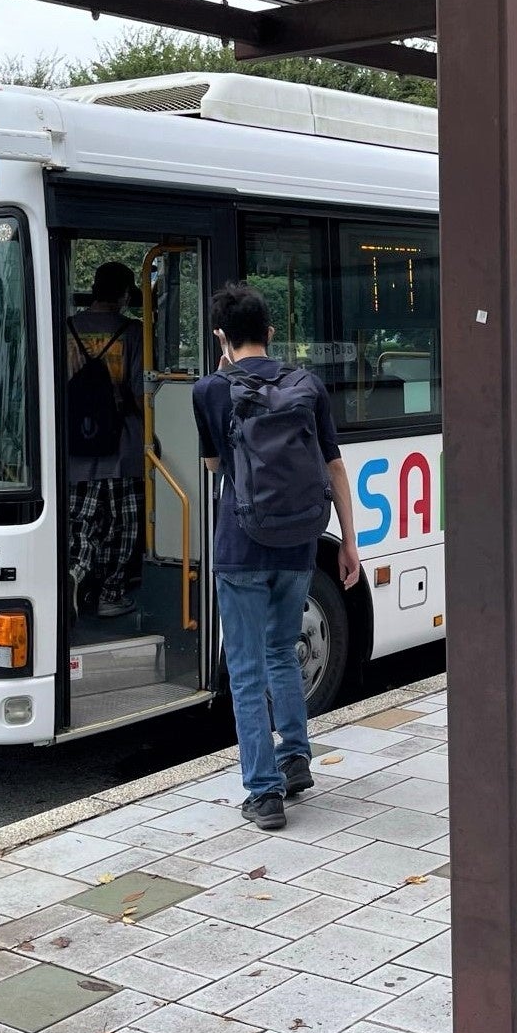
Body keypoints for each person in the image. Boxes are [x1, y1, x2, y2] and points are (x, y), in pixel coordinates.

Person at [193, 283, 360, 832]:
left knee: (245, 671)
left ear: (221, 336)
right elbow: (334, 466)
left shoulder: (209, 391)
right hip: (298, 543)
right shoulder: (306, 385)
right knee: (282, 652)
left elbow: (215, 467)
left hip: (240, 548)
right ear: (269, 332)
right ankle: (295, 758)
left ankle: (264, 794)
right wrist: (349, 541)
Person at [67, 262, 145, 619]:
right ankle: (110, 594)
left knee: (80, 521)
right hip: (122, 448)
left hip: (74, 447)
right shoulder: (134, 332)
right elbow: (141, 393)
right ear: (125, 295)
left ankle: (74, 574)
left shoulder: (66, 328)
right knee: (120, 525)